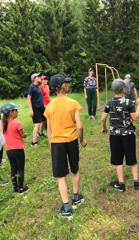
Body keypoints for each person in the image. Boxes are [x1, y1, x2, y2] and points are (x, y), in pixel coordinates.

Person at [44, 74, 87, 220]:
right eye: (66, 83)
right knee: (75, 169)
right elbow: (79, 126)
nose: (68, 85)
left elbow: (48, 130)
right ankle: (76, 197)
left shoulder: (49, 106)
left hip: (57, 143)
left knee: (60, 175)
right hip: (72, 140)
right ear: (62, 86)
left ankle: (67, 208)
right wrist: (81, 140)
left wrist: (52, 144)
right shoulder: (73, 103)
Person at [101, 79, 139, 192]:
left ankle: (121, 184)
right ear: (124, 89)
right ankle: (136, 182)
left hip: (114, 136)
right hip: (128, 135)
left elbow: (103, 118)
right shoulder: (129, 102)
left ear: (113, 90)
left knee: (118, 159)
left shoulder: (109, 103)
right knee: (132, 157)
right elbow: (135, 117)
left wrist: (104, 128)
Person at [1, 103, 29, 194]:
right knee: (20, 168)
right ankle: (21, 189)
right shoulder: (17, 123)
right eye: (16, 110)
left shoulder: (3, 124)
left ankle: (15, 188)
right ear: (10, 112)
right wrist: (25, 135)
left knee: (13, 168)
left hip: (9, 150)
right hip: (18, 149)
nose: (17, 112)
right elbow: (23, 134)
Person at [27, 73, 44, 147]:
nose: (40, 77)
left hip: (41, 108)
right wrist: (31, 110)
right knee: (37, 124)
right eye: (38, 76)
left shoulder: (37, 87)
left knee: (43, 121)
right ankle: (33, 142)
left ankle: (40, 134)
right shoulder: (32, 87)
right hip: (36, 108)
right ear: (34, 79)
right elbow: (28, 99)